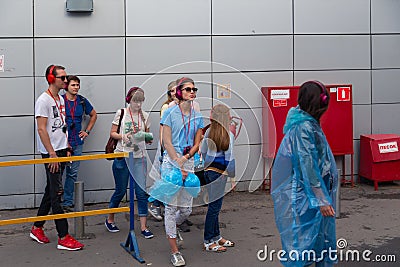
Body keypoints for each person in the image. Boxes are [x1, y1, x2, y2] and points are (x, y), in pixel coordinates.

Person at [271, 81, 338, 267]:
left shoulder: (306, 122)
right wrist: (321, 199)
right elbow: (307, 165)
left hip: (312, 193)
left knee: (315, 239)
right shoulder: (304, 128)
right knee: (306, 242)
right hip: (308, 196)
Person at [30, 64, 84, 251]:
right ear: (52, 79)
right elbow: (41, 129)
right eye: (63, 77)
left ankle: (37, 227)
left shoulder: (60, 99)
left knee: (50, 190)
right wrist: (52, 153)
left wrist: (67, 145)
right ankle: (63, 236)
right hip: (51, 153)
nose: (66, 80)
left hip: (61, 150)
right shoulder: (43, 101)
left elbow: (62, 126)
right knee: (57, 195)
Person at [159, 77, 203, 266]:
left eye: (194, 89)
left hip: (188, 161)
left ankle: (173, 229)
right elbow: (166, 141)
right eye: (188, 89)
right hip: (171, 162)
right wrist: (178, 162)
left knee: (186, 210)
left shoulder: (198, 116)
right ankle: (174, 251)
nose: (192, 92)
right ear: (179, 92)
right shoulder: (169, 113)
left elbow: (197, 142)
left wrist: (186, 160)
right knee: (171, 208)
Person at [105, 87, 154, 239]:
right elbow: (112, 132)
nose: (138, 105)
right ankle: (110, 219)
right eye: (135, 101)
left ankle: (144, 226)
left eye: (140, 101)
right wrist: (122, 136)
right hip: (122, 155)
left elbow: (149, 139)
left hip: (139, 157)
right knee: (120, 190)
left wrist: (145, 137)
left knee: (141, 192)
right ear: (129, 100)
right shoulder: (121, 113)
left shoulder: (145, 116)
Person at [200, 104, 236, 253]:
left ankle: (216, 236)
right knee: (214, 209)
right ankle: (208, 241)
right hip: (220, 175)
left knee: (213, 207)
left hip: (208, 172)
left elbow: (203, 151)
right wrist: (233, 178)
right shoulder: (229, 134)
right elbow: (230, 159)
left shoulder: (208, 131)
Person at [62, 75, 97, 212]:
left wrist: (87, 131)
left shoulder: (82, 101)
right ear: (67, 87)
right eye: (73, 85)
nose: (76, 87)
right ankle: (55, 202)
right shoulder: (60, 100)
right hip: (61, 142)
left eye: (77, 85)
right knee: (57, 173)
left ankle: (67, 202)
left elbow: (94, 115)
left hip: (77, 142)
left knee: (72, 173)